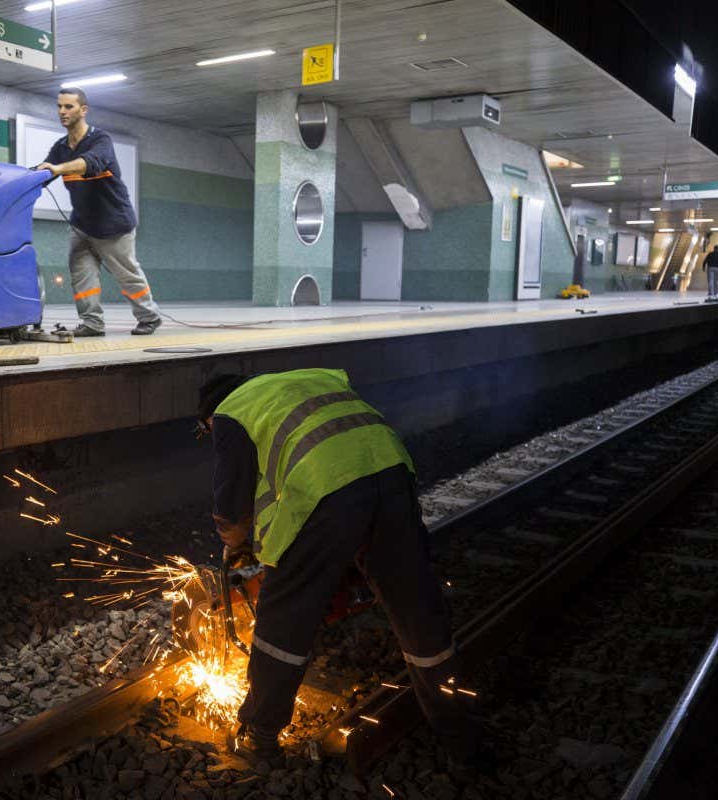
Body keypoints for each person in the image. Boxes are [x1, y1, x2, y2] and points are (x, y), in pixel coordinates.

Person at [197, 368, 479, 769]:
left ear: (208, 418)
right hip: (393, 471)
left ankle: (258, 737)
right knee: (417, 608)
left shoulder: (229, 412)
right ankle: (460, 733)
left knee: (284, 615)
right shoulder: (306, 382)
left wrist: (236, 545)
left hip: (327, 489)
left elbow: (230, 508)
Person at [35, 88, 161, 336]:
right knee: (82, 277)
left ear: (83, 110)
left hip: (114, 224)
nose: (62, 111)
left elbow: (88, 163)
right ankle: (92, 323)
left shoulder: (100, 140)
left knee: (127, 275)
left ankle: (149, 317)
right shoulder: (61, 147)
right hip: (82, 225)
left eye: (68, 106)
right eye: (59, 106)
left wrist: (57, 169)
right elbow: (44, 173)